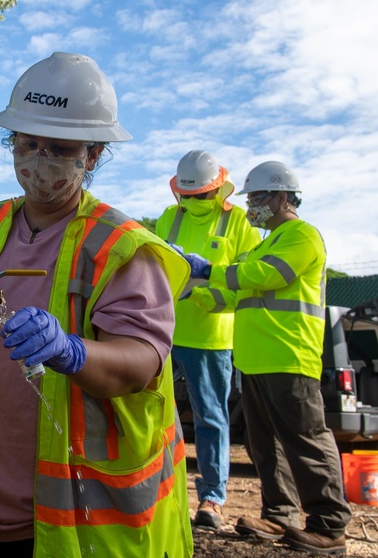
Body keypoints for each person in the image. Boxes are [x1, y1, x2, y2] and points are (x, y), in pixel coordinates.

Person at [0, 52, 194, 558]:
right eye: (27, 143)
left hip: (67, 521)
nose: (39, 161)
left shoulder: (120, 247)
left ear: (93, 155)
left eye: (59, 148)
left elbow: (142, 361)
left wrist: (71, 352)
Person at [182, 161, 351, 554]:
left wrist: (208, 270)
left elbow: (264, 275)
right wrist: (192, 292)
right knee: (265, 445)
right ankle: (279, 515)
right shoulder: (266, 242)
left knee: (305, 440)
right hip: (255, 360)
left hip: (289, 356)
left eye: (257, 198)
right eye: (250, 198)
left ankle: (328, 525)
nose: (251, 206)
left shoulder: (302, 237)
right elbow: (240, 290)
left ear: (281, 197)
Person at [155, 150, 261, 530]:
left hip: (212, 337)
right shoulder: (170, 218)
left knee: (211, 419)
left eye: (198, 195)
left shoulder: (240, 223)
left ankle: (212, 500)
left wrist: (199, 294)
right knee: (154, 414)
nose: (192, 202)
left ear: (216, 190)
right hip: (164, 331)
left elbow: (246, 282)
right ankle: (157, 492)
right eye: (188, 196)